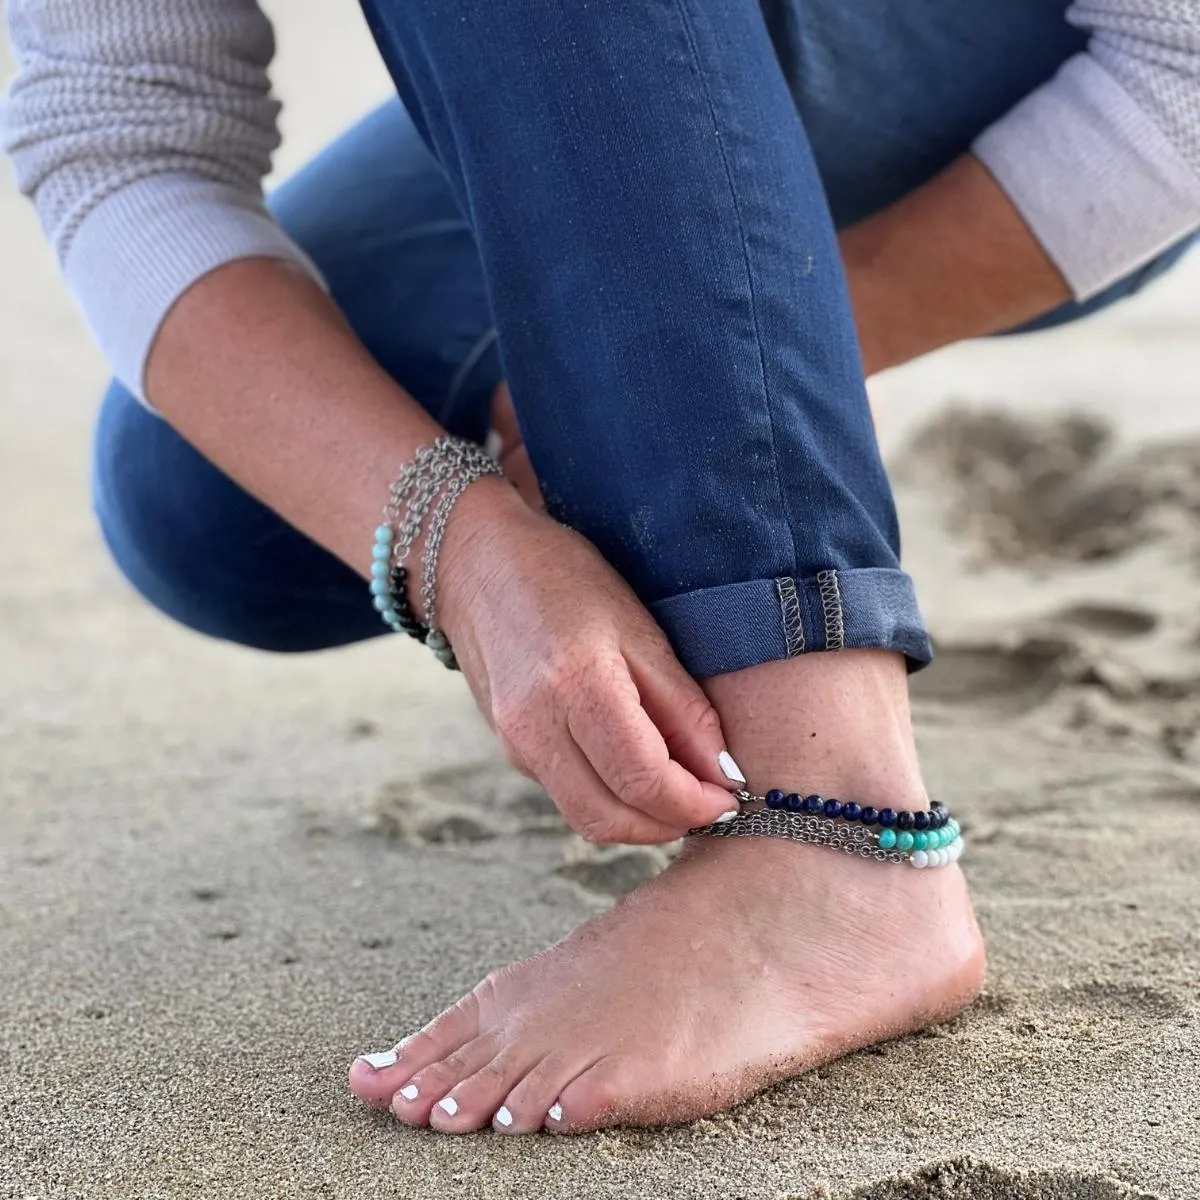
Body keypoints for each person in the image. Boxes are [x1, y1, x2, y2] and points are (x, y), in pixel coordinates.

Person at [3, 0, 1197, 1137]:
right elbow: (118, 127)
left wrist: (763, 354)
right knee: (203, 499)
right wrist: (458, 543)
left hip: (1042, 51)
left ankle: (836, 830)